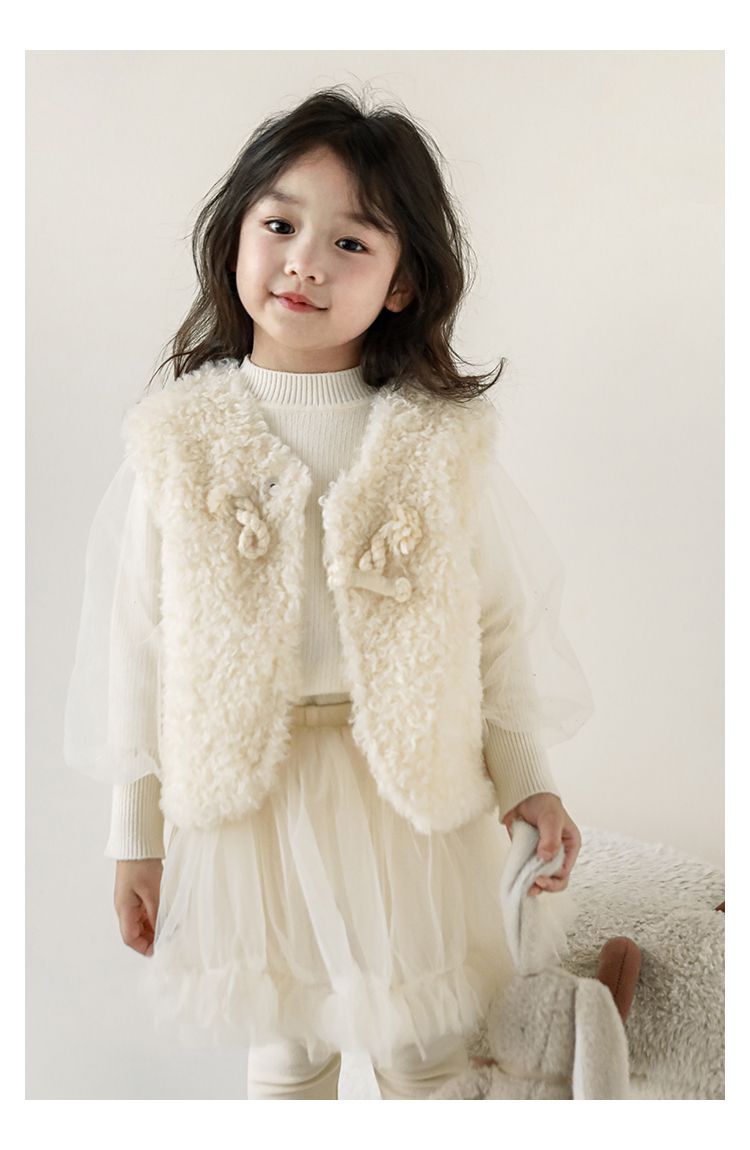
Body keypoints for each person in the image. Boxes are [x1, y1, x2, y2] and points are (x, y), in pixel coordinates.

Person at [62, 85, 594, 1100]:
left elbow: (493, 625)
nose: (305, 260)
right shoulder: (178, 441)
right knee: (288, 1052)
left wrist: (527, 778)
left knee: (429, 1051)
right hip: (249, 806)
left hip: (408, 800)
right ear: (235, 236)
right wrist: (135, 836)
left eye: (351, 242)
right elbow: (139, 646)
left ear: (401, 283)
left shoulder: (436, 442)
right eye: (280, 225)